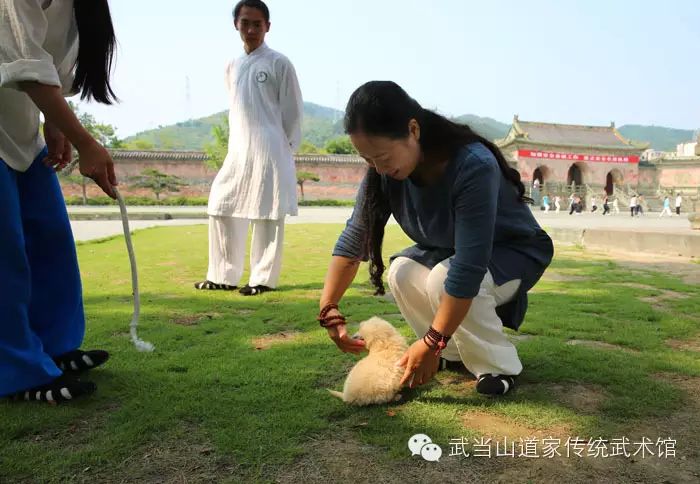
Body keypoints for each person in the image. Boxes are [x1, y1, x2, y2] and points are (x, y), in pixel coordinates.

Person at [317, 81, 553, 396]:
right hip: (450, 255)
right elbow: (354, 236)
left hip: (513, 254)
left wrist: (431, 341)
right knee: (401, 270)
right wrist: (328, 307)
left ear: (413, 130)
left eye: (383, 157)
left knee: (444, 278)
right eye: (369, 160)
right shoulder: (383, 171)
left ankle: (496, 366)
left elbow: (468, 267)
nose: (379, 169)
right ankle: (451, 354)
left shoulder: (472, 164)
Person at [1, 0, 118, 403]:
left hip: (22, 130)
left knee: (50, 239)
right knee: (6, 254)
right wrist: (87, 142)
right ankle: (18, 370)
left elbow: (53, 67)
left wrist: (55, 123)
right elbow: (25, 65)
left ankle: (53, 346)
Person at [195, 0, 303, 296]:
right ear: (236, 25)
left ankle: (262, 279)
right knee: (221, 203)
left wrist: (284, 148)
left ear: (268, 26)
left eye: (258, 23)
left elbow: (292, 112)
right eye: (246, 23)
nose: (252, 29)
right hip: (238, 149)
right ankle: (222, 275)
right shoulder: (232, 65)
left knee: (267, 213)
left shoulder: (279, 63)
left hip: (270, 148)